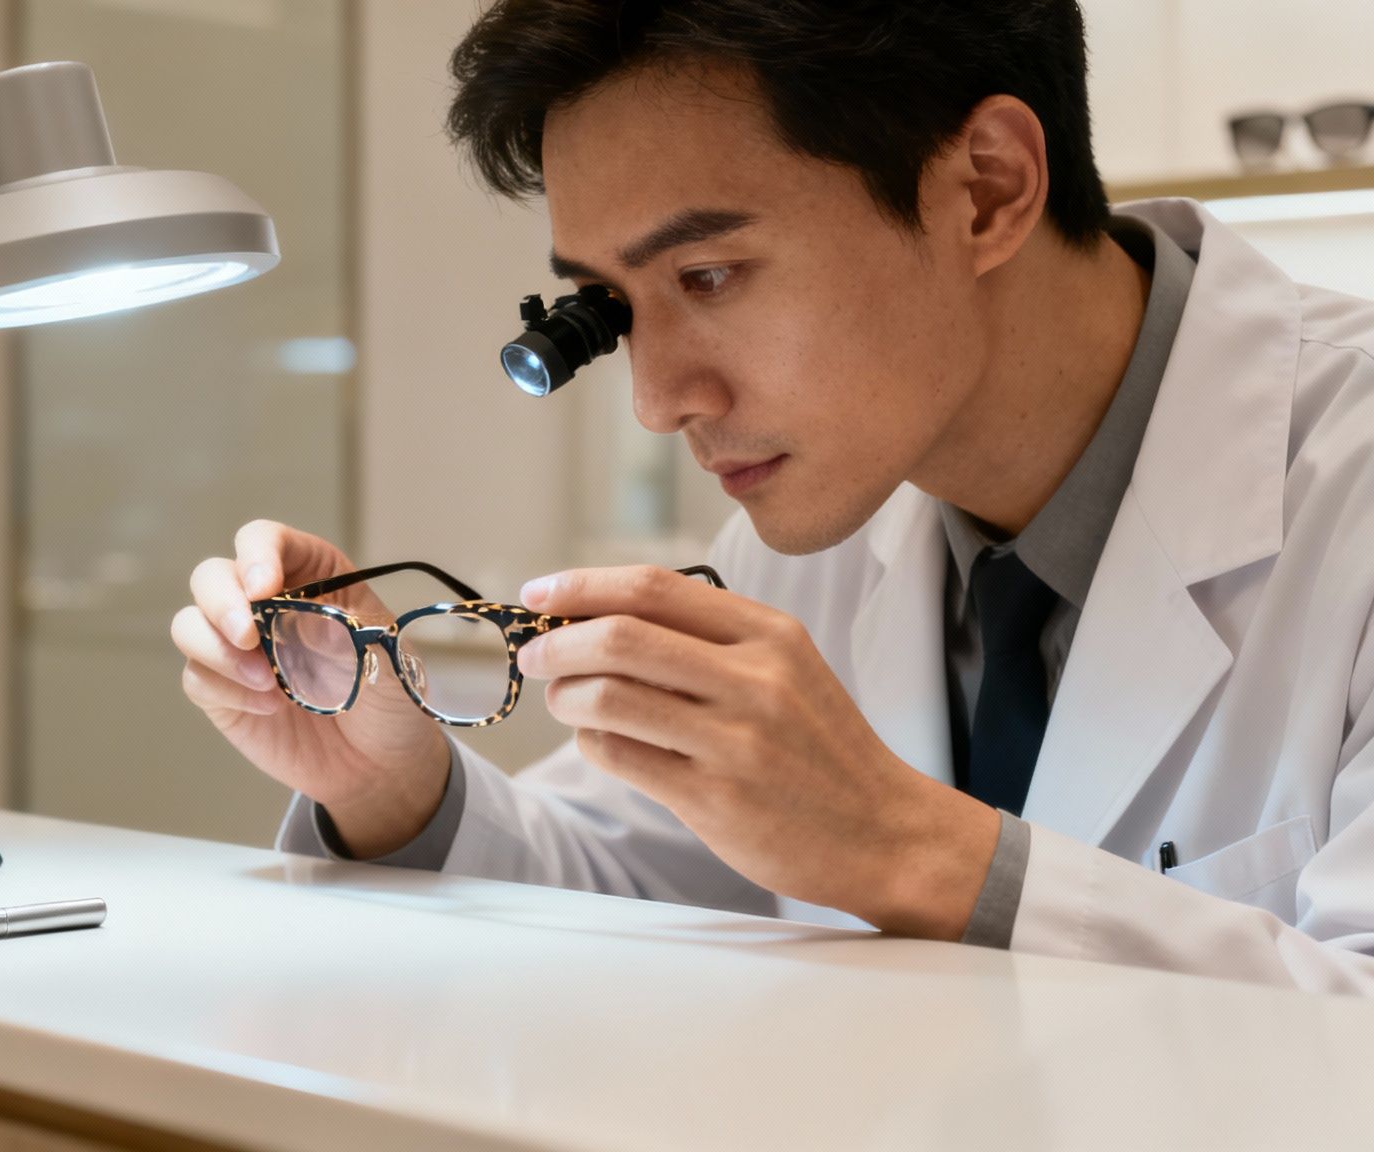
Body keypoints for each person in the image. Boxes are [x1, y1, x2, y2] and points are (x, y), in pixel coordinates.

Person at [169, 0, 1374, 993]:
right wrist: (393, 789)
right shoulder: (817, 528)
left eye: (708, 274)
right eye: (613, 308)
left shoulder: (1347, 482)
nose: (656, 400)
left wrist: (911, 849)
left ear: (987, 191)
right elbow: (630, 881)